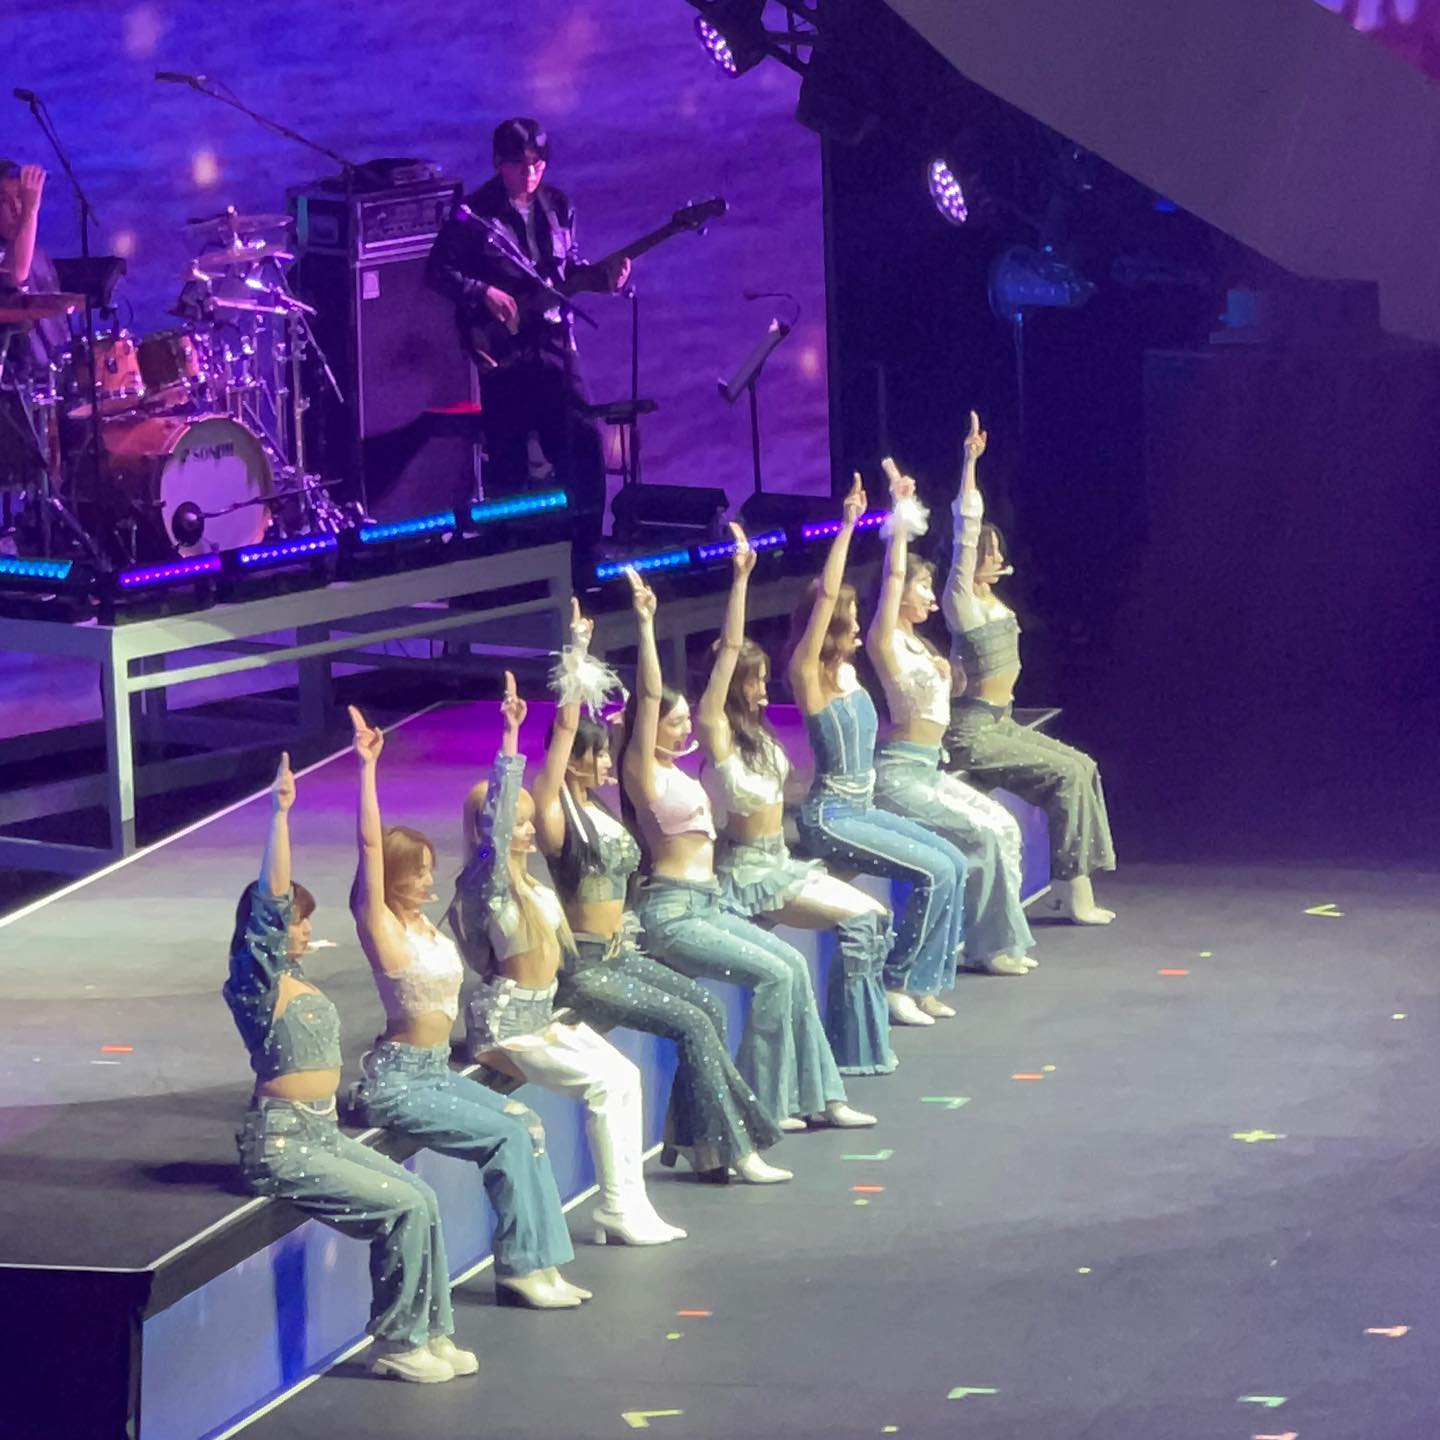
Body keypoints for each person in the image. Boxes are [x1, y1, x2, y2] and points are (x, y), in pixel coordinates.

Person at [224, 754, 472, 1384]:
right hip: (281, 1144)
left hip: (322, 1132)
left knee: (422, 1196)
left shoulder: (297, 980)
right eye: (297, 922)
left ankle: (431, 1330)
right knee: (401, 1206)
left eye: (307, 919)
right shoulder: (256, 987)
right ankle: (398, 1341)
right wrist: (280, 815)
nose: (305, 930)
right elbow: (269, 904)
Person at [619, 565, 874, 1151]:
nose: (683, 729)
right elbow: (657, 690)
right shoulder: (643, 772)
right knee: (776, 974)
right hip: (674, 907)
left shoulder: (683, 771)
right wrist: (646, 623)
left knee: (793, 965)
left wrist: (741, 580)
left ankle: (822, 1095)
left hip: (709, 899)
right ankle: (766, 1101)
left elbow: (732, 646)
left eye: (685, 721)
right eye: (673, 723)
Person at [533, 596, 784, 1185]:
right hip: (587, 967)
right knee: (692, 1023)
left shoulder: (603, 812)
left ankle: (699, 1142)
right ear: (572, 762)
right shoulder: (557, 817)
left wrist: (645, 624)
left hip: (622, 952)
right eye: (595, 755)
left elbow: (648, 696)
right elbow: (569, 727)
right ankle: (733, 1148)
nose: (606, 763)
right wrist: (577, 650)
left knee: (706, 1010)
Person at [343, 706, 586, 1310]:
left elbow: (485, 845)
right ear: (392, 879)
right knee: (504, 1135)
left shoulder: (425, 926)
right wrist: (367, 769)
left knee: (525, 1123)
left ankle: (544, 1264)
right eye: (418, 873)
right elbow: (369, 846)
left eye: (430, 869)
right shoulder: (382, 927)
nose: (430, 881)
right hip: (397, 1081)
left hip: (432, 1073)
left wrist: (510, 735)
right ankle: (520, 1269)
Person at [450, 675, 685, 1246]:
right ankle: (616, 1207)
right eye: (517, 822)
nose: (528, 829)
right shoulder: (485, 887)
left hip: (540, 1017)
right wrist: (511, 738)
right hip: (506, 1026)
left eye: (529, 819)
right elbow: (499, 821)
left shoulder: (529, 883)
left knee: (625, 1076)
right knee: (604, 1084)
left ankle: (631, 1204)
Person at [698, 525, 896, 1075]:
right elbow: (730, 649)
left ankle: (857, 1044)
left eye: (764, 680)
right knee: (862, 920)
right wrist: (741, 580)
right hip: (748, 874)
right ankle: (850, 1053)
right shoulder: (718, 732)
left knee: (874, 918)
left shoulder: (760, 735)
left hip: (780, 864)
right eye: (754, 682)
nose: (765, 691)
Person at [787, 475, 969, 1044]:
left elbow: (892, 577)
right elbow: (825, 596)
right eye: (846, 617)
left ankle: (925, 982)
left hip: (863, 808)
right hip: (831, 816)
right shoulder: (809, 675)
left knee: (953, 862)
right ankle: (897, 982)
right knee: (932, 872)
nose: (854, 623)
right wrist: (846, 526)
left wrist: (899, 514)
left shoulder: (848, 672)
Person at [941, 412, 1117, 923]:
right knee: (1066, 774)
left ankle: (1076, 883)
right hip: (973, 732)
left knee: (1083, 766)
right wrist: (971, 463)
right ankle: (1074, 893)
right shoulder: (961, 602)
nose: (996, 557)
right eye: (988, 552)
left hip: (1002, 722)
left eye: (998, 550)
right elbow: (965, 531)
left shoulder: (991, 599)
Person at [427, 118, 629, 552]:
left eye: (538, 164)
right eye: (520, 164)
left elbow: (568, 269)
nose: (530, 173)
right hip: (503, 348)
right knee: (510, 458)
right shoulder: (474, 215)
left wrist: (602, 281)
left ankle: (584, 548)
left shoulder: (558, 205)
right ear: (499, 163)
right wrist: (483, 292)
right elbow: (438, 271)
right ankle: (513, 557)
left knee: (583, 442)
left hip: (554, 342)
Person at [868, 459, 1036, 976]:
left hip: (930, 768)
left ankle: (1002, 939)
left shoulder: (920, 644)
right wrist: (901, 513)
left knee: (1004, 827)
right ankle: (990, 947)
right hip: (899, 773)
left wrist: (950, 673)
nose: (929, 596)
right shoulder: (886, 641)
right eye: (922, 587)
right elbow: (894, 574)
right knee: (981, 836)